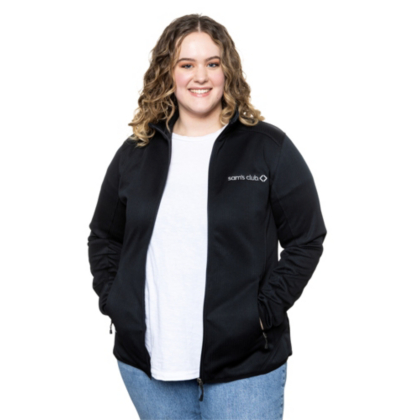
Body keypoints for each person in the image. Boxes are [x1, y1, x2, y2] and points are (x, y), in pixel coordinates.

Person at [87, 13, 327, 420]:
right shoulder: (136, 152)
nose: (200, 76)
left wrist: (262, 313)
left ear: (227, 71)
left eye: (212, 63)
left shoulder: (267, 148)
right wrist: (116, 303)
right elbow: (104, 237)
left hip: (245, 366)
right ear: (168, 73)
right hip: (149, 365)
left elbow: (307, 239)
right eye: (187, 64)